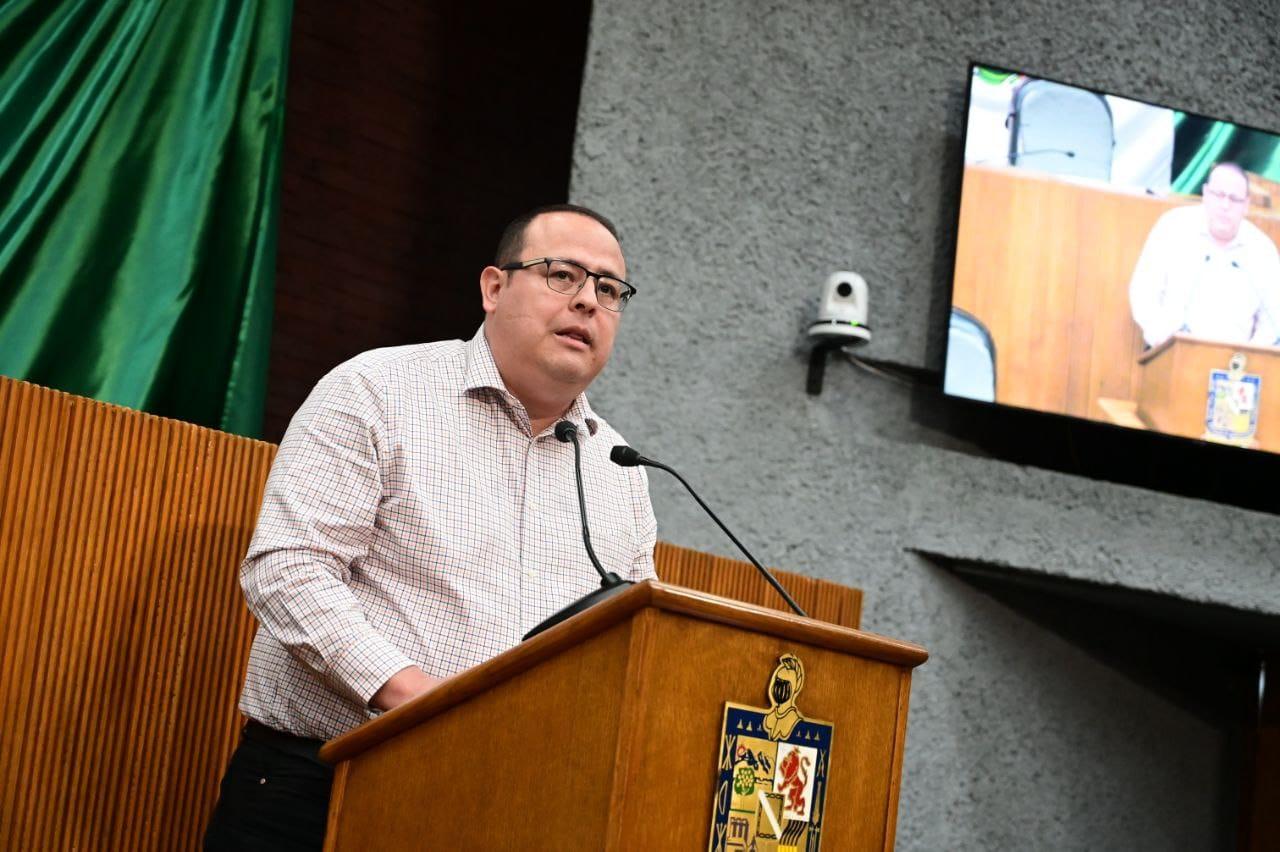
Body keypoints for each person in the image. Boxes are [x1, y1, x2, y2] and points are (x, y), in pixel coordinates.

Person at [203, 204, 657, 850]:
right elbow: (287, 569)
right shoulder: (377, 391)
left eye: (609, 290)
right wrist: (419, 699)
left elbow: (627, 647)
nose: (588, 301)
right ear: (493, 288)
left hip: (514, 810)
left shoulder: (619, 469)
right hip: (326, 783)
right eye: (563, 275)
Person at [1129, 162, 1280, 348]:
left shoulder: (1262, 250)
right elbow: (1143, 293)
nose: (1225, 205)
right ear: (1206, 194)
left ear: (1246, 205)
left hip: (1235, 370)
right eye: (1219, 195)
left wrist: (1252, 356)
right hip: (1171, 356)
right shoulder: (1173, 227)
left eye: (1234, 199)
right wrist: (1164, 341)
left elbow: (1273, 321)